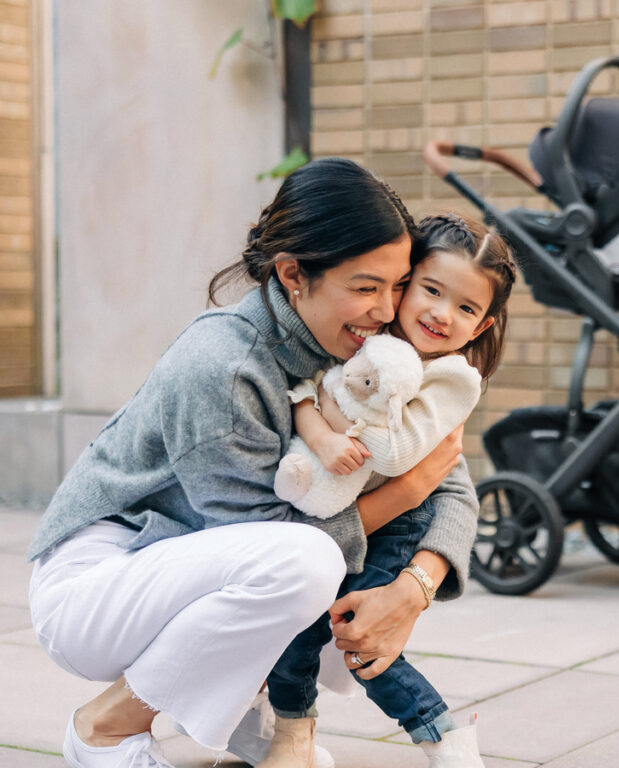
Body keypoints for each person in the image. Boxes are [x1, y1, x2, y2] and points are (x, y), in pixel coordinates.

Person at [26, 158, 479, 768]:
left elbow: (450, 480)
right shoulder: (226, 364)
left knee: (330, 567)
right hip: (99, 586)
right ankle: (104, 728)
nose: (386, 307)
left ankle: (240, 711)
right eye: (367, 286)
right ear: (294, 274)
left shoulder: (358, 348)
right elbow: (266, 537)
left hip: (179, 566)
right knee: (309, 562)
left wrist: (412, 589)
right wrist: (405, 491)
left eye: (398, 285)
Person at [267, 213, 516, 766]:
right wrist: (320, 427)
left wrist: (336, 409)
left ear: (479, 327)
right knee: (299, 628)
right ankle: (290, 731)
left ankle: (441, 731)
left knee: (361, 637)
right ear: (403, 286)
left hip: (401, 527)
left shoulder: (449, 377)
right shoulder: (365, 342)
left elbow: (401, 454)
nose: (440, 313)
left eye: (466, 308)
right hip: (334, 511)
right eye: (431, 290)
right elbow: (303, 393)